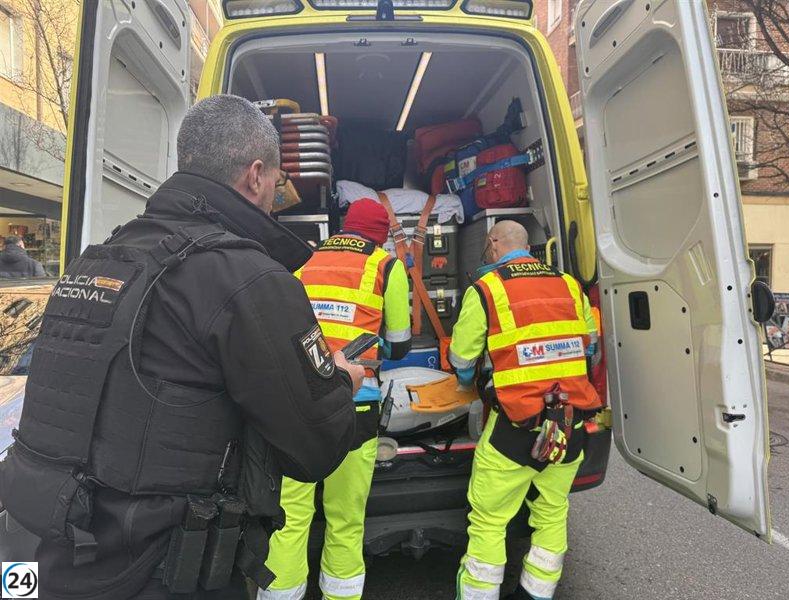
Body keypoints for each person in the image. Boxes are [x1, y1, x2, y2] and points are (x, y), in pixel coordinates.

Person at [0, 95, 362, 600]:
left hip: (58, 555)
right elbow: (315, 448)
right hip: (167, 570)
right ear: (256, 175)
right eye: (278, 182)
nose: (276, 196)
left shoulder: (97, 259)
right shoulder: (249, 278)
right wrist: (341, 381)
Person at [263, 199, 412, 600]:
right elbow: (400, 344)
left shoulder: (304, 261)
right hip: (356, 404)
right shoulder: (386, 266)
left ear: (346, 226)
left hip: (299, 404)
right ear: (379, 236)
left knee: (290, 517)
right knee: (345, 518)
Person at [448, 220, 602, 600]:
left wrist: (470, 383)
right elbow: (590, 347)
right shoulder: (570, 285)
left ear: (493, 243)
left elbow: (462, 359)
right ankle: (536, 593)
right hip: (569, 426)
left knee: (489, 520)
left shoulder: (486, 288)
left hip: (514, 432)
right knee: (552, 512)